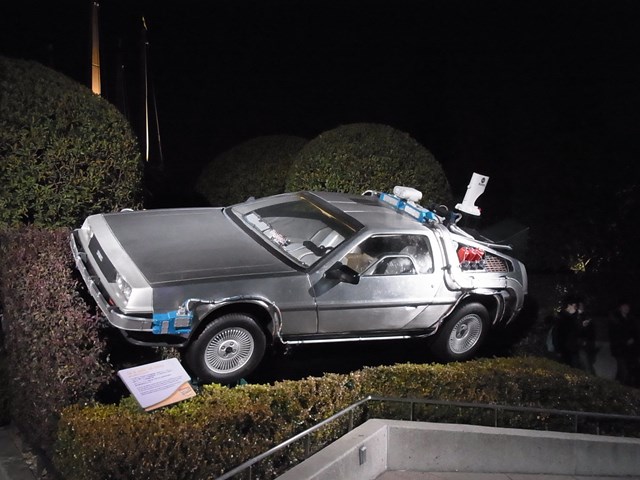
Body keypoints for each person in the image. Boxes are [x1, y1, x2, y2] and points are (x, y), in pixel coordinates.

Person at [608, 300, 639, 386]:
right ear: (620, 308)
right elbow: (613, 335)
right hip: (619, 349)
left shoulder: (631, 319)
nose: (626, 308)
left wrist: (634, 340)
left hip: (631, 350)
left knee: (629, 370)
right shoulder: (615, 319)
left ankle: (617, 384)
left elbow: (636, 333)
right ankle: (622, 387)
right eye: (624, 307)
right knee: (624, 370)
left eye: (627, 307)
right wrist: (624, 341)